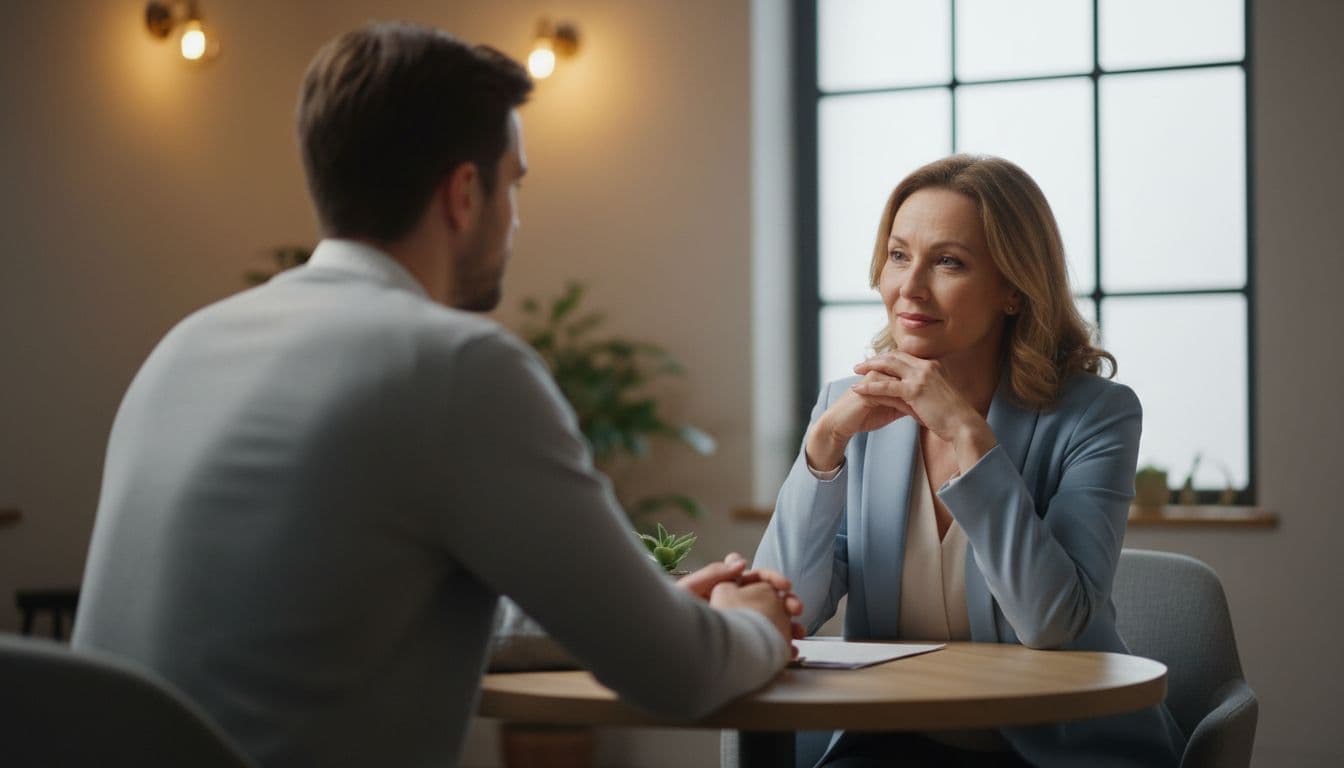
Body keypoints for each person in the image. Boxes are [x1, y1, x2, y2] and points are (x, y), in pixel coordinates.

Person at [72, 22, 799, 768]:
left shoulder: (185, 346)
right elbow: (681, 675)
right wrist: (756, 624)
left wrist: (653, 608)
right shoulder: (459, 366)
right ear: (463, 194)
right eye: (513, 184)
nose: (515, 216)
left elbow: (352, 615)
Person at [755, 154, 1186, 767]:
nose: (910, 286)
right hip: (890, 742)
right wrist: (822, 450)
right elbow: (784, 610)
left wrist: (967, 433)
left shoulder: (1097, 415)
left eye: (948, 262)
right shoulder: (846, 409)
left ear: (1013, 288)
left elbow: (1050, 622)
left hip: (1052, 750)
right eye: (898, 255)